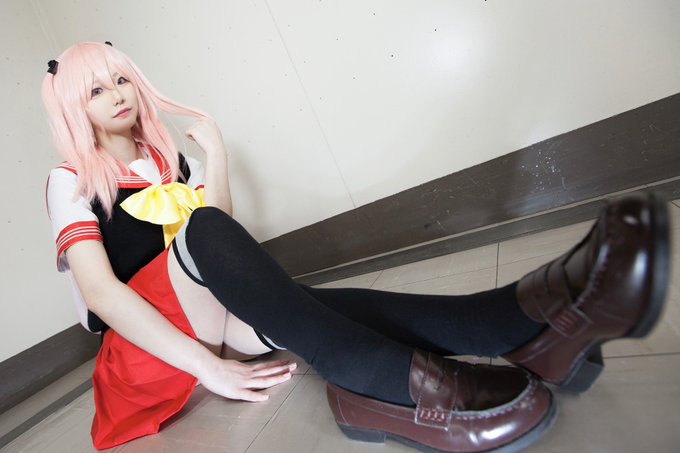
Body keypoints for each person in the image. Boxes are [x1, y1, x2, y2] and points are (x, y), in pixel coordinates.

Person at [42, 42, 670, 452]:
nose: (117, 94)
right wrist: (209, 369)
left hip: (209, 319)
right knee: (220, 243)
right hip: (145, 356)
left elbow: (218, 247)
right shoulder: (68, 180)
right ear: (75, 108)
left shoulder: (165, 159)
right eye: (96, 90)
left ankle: (520, 321)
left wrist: (217, 156)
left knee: (325, 304)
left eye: (121, 79)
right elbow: (102, 293)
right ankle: (376, 377)